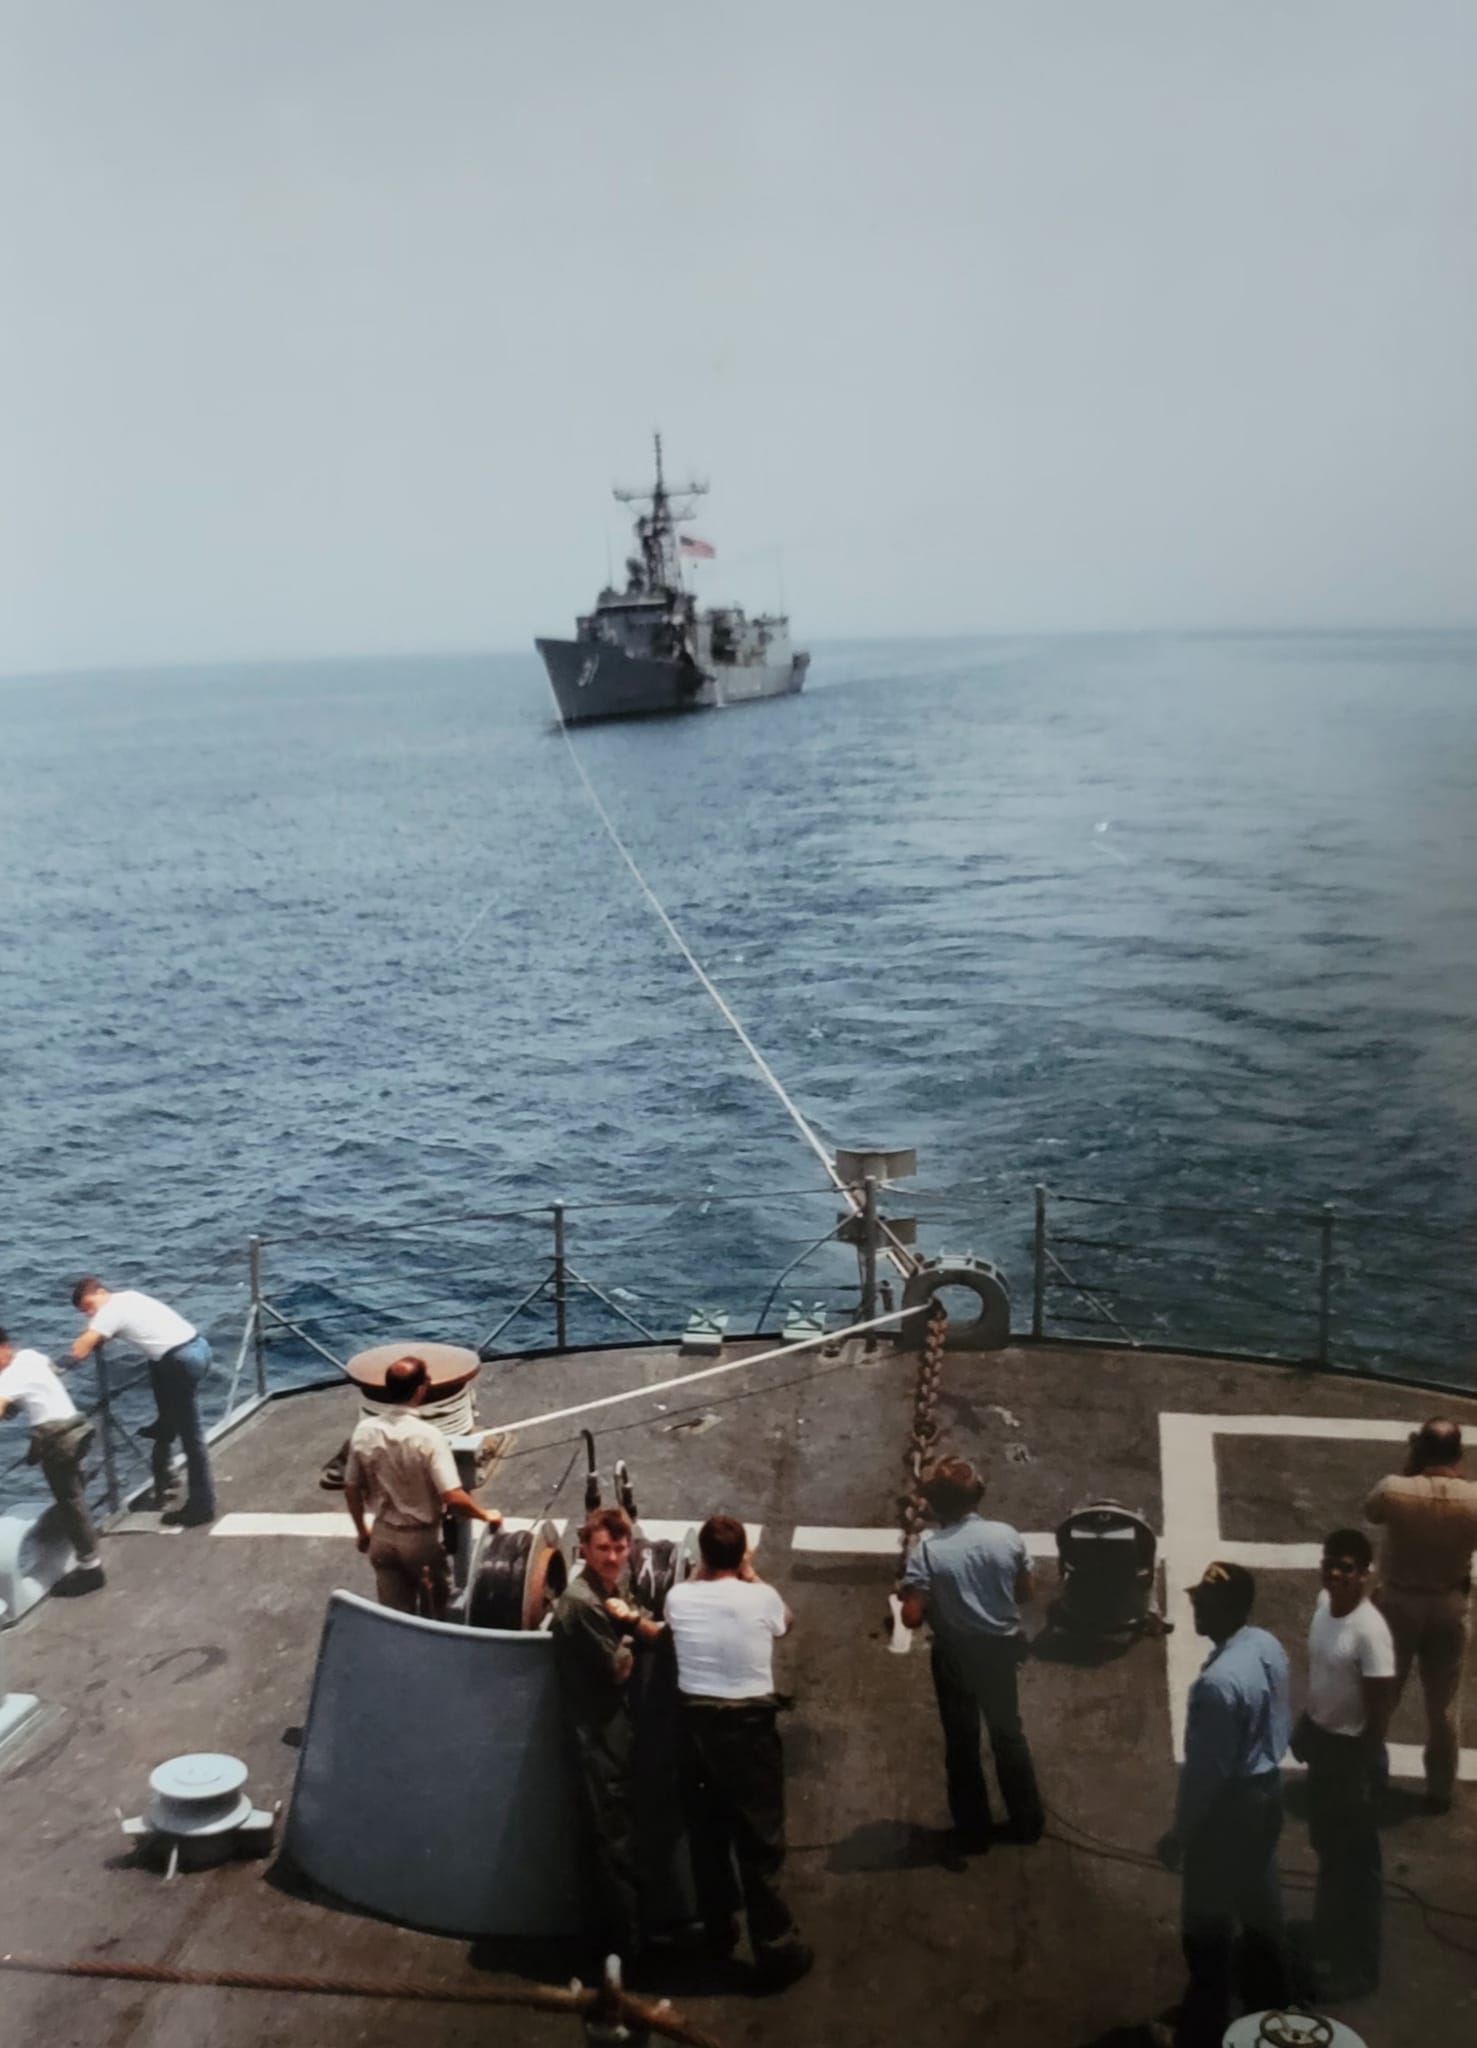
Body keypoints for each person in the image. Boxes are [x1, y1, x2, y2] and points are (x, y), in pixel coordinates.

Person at [663, 1514, 813, 1990]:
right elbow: (784, 1624)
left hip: (695, 1729)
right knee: (760, 1841)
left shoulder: (679, 1597)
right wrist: (751, 1574)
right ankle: (776, 1949)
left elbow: (680, 1602)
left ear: (703, 1556)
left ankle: (718, 1932)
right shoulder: (760, 1596)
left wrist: (700, 1572)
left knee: (707, 1837)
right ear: (742, 1554)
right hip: (748, 1729)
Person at [1156, 1562, 1291, 2048]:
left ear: (1229, 1609)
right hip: (1267, 1791)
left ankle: (1205, 2026)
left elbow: (1205, 1775)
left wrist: (1179, 1835)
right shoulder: (1266, 1645)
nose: (1195, 1607)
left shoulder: (1216, 1686)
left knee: (1205, 1924)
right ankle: (1273, 2013)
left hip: (1230, 1809)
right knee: (1260, 1906)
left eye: (1205, 1603)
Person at [899, 1452, 1043, 1853]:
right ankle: (1027, 1820)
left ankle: (973, 1830)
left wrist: (907, 1594)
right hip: (1000, 1652)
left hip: (956, 1656)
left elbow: (912, 1618)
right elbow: (1025, 1592)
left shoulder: (928, 1551)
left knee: (962, 1743)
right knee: (1008, 1734)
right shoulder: (1007, 1536)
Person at [550, 1504, 666, 1969]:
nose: (614, 1557)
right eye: (604, 1549)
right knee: (612, 1839)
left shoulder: (610, 1587)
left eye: (620, 1548)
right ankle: (627, 1950)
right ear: (583, 1549)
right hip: (600, 1733)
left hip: (615, 1729)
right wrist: (632, 1631)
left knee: (619, 1833)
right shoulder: (582, 1603)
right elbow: (618, 1670)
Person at [1292, 1527, 1395, 2001]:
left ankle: (1359, 1966)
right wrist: (1306, 1723)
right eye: (1330, 1562)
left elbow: (1379, 1711)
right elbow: (1322, 1676)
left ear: (1364, 1575)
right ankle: (1329, 1939)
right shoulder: (1322, 1607)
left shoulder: (1371, 1634)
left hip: (1352, 1756)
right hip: (1325, 1745)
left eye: (1346, 1567)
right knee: (1330, 1850)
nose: (1335, 1572)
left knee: (1357, 1867)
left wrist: (1363, 1768)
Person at [1364, 1416, 1477, 1813]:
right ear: (1457, 1453)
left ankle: (1367, 1774)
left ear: (1419, 1449)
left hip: (1398, 1603)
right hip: (1448, 1605)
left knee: (1382, 1696)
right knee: (1443, 1706)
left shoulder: (1395, 1490)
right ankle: (1440, 1790)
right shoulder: (1473, 1499)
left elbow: (1371, 1512)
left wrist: (1411, 1470)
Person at [342, 1354, 501, 1616]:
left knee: (395, 1617)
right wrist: (485, 1515)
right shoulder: (429, 1437)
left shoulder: (364, 1430)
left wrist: (362, 1531)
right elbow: (453, 1496)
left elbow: (351, 1488)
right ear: (420, 1390)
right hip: (420, 1541)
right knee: (437, 1612)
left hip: (381, 1538)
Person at [70, 1277, 217, 1527]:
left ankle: (202, 1506)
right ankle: (165, 1457)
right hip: (198, 1348)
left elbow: (79, 1351)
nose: (90, 1312)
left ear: (102, 1292)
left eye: (89, 1305)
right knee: (158, 1371)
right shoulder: (129, 1297)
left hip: (181, 1361)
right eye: (85, 1311)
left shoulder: (109, 1312)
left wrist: (85, 1335)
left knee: (192, 1439)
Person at [0, 1329, 105, 1593]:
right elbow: (50, 1373)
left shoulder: (8, 1378)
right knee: (74, 1496)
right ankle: (80, 1551)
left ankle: (91, 1568)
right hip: (77, 1430)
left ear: (5, 1348)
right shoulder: (30, 1356)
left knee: (70, 1502)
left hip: (58, 1441)